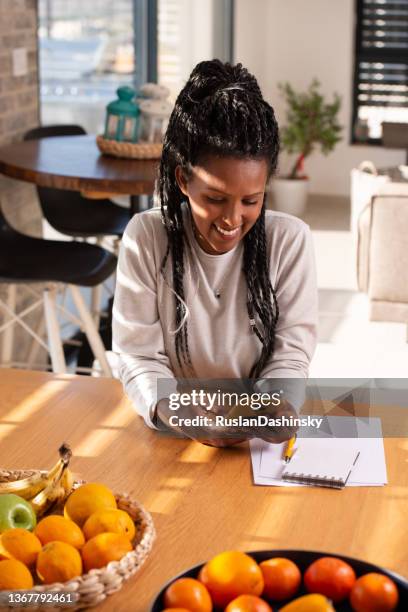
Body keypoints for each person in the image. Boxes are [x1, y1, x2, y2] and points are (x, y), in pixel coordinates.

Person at [112, 59, 318, 445]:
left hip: (254, 444)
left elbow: (291, 351)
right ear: (183, 180)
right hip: (170, 433)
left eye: (250, 200)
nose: (232, 219)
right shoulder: (147, 237)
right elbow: (136, 356)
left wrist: (279, 405)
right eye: (215, 198)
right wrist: (183, 415)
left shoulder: (290, 241)